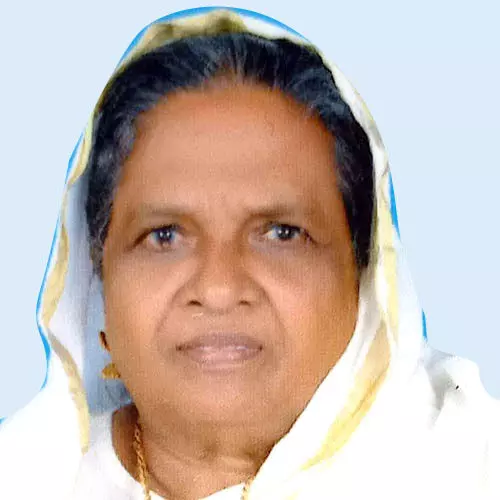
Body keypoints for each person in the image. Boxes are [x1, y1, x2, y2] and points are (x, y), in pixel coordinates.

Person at [0, 7, 498, 500]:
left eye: (281, 233)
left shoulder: (470, 467)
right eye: (165, 236)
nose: (219, 289)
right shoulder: (23, 479)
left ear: (364, 274)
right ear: (99, 279)